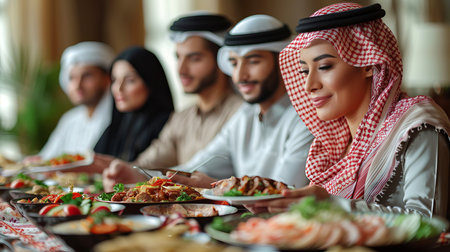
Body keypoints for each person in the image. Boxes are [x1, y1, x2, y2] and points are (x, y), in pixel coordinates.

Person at [248, 3, 450, 218]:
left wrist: (332, 205)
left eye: (324, 67)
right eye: (304, 71)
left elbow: (428, 223)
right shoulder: (332, 147)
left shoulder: (418, 124)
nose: (309, 85)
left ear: (368, 64)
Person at [168, 15, 314, 188]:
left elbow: (285, 191)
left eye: (253, 61)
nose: (240, 76)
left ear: (283, 62)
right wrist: (154, 179)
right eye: (234, 63)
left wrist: (217, 187)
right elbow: (198, 166)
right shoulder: (244, 115)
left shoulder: (306, 119)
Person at [102, 12, 242, 190]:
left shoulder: (242, 113)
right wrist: (125, 172)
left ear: (222, 60)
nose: (181, 69)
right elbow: (147, 164)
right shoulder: (181, 118)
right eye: (178, 57)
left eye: (194, 58)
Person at [94, 46, 174, 162]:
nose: (118, 88)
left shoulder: (168, 126)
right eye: (114, 80)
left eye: (130, 80)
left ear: (150, 82)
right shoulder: (116, 126)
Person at [38, 42, 114, 160]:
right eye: (72, 78)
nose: (77, 85)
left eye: (87, 76)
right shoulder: (70, 120)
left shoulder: (118, 119)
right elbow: (45, 159)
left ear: (107, 78)